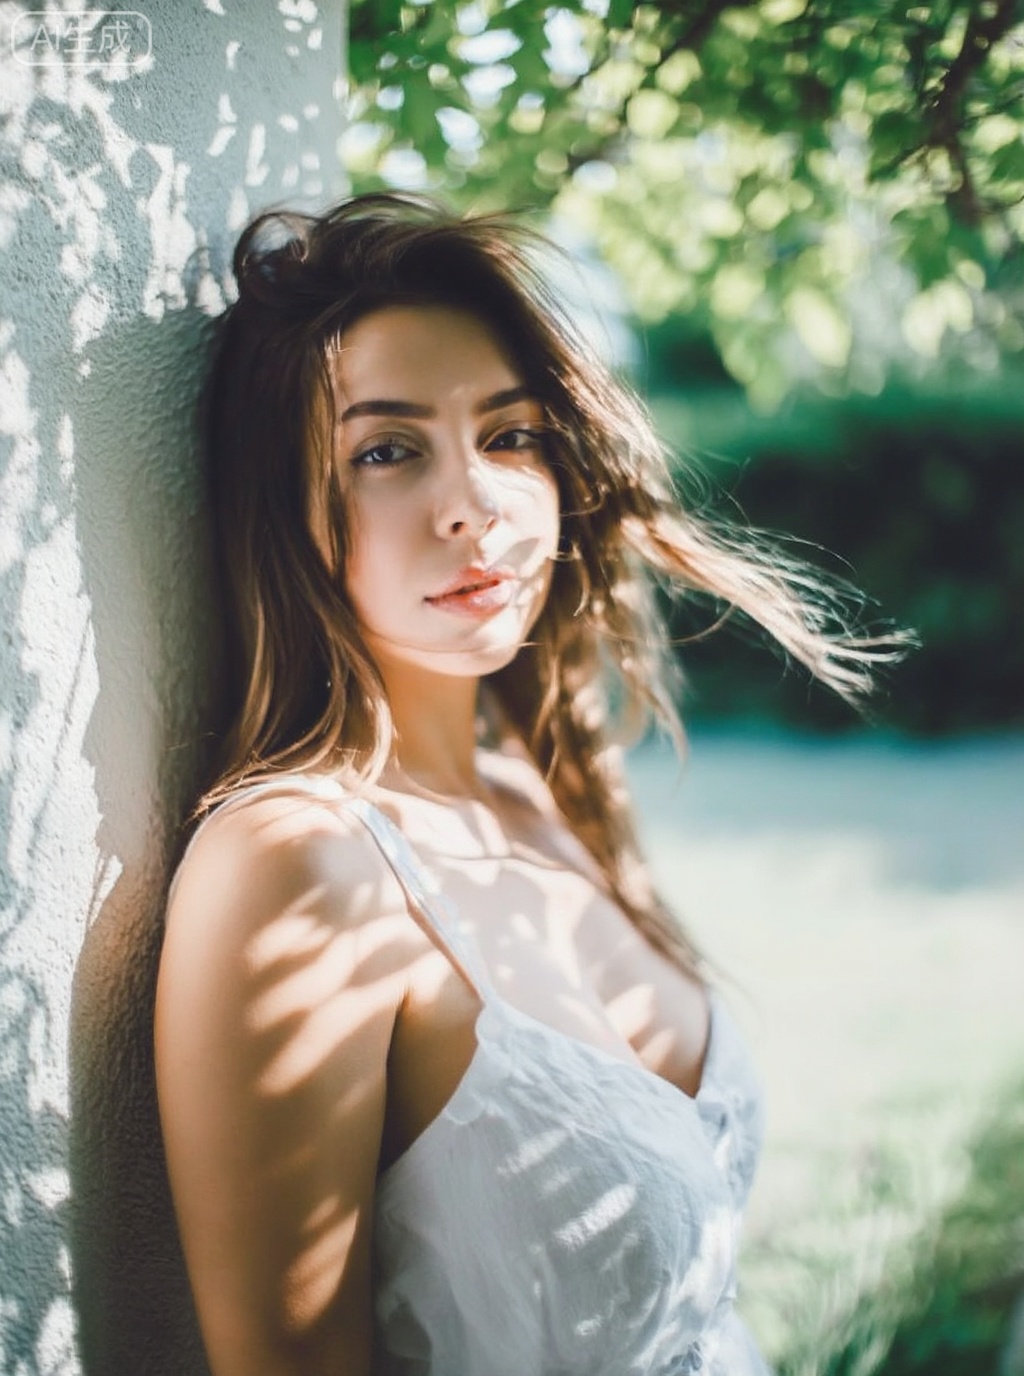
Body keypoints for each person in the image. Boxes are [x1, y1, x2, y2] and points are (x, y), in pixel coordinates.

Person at [154, 193, 892, 1376]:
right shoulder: (296, 863)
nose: (477, 504)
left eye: (510, 436)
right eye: (386, 451)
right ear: (283, 509)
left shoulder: (533, 779)